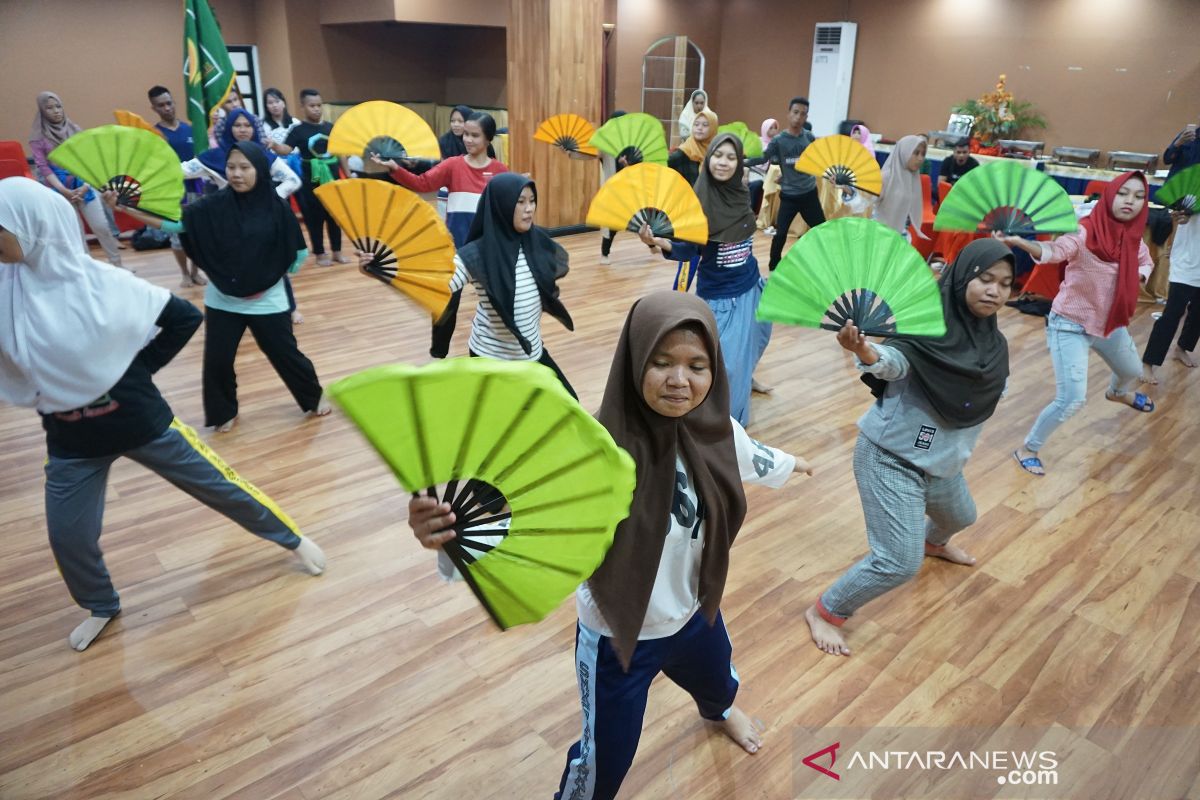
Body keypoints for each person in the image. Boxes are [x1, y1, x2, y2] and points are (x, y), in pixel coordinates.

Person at [407, 291, 811, 799]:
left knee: (718, 678)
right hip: (621, 638)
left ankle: (720, 709)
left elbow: (750, 456)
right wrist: (447, 535)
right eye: (661, 363)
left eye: (696, 365)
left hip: (696, 611)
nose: (679, 380)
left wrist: (793, 464)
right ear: (633, 361)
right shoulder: (590, 458)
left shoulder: (717, 431)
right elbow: (524, 525)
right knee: (606, 756)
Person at [0, 177, 326, 652]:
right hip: (70, 441)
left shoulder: (105, 283)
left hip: (141, 423)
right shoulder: (8, 291)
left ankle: (292, 539)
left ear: (34, 228)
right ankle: (101, 604)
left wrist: (134, 372)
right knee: (68, 535)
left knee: (221, 488)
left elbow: (184, 318)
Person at [803, 239, 1015, 657]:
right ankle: (826, 611)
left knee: (963, 515)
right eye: (985, 279)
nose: (994, 291)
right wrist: (864, 348)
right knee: (898, 563)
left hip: (943, 464)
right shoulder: (924, 328)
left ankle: (933, 542)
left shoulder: (995, 345)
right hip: (890, 459)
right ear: (960, 279)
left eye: (1006, 284)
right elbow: (893, 361)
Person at [109, 143, 331, 432]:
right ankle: (223, 411)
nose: (236, 174)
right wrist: (124, 206)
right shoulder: (212, 205)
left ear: (259, 170)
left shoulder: (276, 206)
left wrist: (273, 273)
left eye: (244, 167)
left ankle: (313, 397)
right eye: (231, 167)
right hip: (223, 299)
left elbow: (298, 251)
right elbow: (175, 224)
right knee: (217, 360)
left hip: (268, 298)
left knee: (285, 355)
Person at [1000, 172, 1155, 476]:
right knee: (1071, 399)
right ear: (1110, 195)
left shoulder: (1133, 238)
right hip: (1069, 325)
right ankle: (1027, 448)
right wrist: (1022, 242)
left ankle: (1116, 393)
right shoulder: (1084, 233)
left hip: (1109, 323)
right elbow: (1054, 252)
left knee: (1133, 372)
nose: (1130, 202)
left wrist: (1138, 276)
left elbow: (1146, 261)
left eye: (1138, 197)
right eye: (1124, 193)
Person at [365, 173, 577, 395]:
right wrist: (381, 272)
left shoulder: (537, 241)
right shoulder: (477, 254)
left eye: (532, 200)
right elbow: (437, 285)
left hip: (531, 353)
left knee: (571, 404)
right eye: (521, 201)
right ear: (502, 205)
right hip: (491, 360)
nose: (529, 208)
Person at [639, 133, 774, 425]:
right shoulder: (698, 201)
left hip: (751, 287)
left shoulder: (741, 193)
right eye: (717, 155)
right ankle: (723, 426)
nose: (723, 163)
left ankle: (747, 380)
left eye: (730, 157)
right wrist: (659, 242)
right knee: (726, 367)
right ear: (708, 158)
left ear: (739, 163)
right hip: (720, 298)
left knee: (757, 342)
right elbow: (689, 248)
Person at [373, 112, 509, 357]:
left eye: (474, 135)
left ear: (488, 139)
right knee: (445, 306)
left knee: (498, 307)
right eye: (466, 134)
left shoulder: (500, 171)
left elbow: (508, 209)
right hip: (456, 252)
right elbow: (422, 183)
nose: (467, 139)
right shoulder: (453, 165)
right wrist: (394, 168)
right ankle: (438, 356)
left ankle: (493, 352)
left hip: (487, 251)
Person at [27, 91, 124, 269]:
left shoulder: (75, 130)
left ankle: (118, 266)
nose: (56, 111)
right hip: (59, 190)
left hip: (84, 184)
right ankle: (85, 270)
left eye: (58, 106)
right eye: (49, 108)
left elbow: (89, 161)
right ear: (42, 111)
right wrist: (64, 191)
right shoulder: (37, 138)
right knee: (76, 233)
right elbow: (43, 167)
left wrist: (85, 186)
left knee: (101, 226)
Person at [747, 97, 825, 270]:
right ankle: (774, 267)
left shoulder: (810, 138)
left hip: (809, 194)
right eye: (795, 112)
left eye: (803, 114)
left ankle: (825, 265)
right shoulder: (778, 141)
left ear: (806, 117)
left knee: (823, 231)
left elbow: (819, 160)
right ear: (789, 114)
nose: (798, 117)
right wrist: (741, 160)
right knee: (780, 234)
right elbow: (763, 158)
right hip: (789, 196)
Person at [274, 89, 350, 266]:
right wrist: (274, 146)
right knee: (314, 218)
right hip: (311, 182)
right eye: (312, 106)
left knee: (334, 216)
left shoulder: (330, 128)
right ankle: (320, 254)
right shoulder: (298, 130)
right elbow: (287, 149)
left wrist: (348, 175)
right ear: (303, 107)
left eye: (319, 105)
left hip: (332, 180)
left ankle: (337, 252)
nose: (316, 109)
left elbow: (341, 154)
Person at [148, 85, 207, 288]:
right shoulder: (154, 135)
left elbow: (201, 158)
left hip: (196, 189)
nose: (167, 108)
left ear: (174, 102)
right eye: (161, 105)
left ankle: (195, 271)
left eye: (169, 103)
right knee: (177, 235)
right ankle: (184, 274)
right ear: (154, 108)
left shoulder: (191, 129)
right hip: (172, 192)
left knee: (198, 233)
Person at [184, 109, 301, 198]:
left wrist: (271, 199)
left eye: (247, 125)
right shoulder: (214, 156)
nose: (243, 130)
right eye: (237, 125)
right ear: (229, 127)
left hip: (259, 216)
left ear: (254, 128)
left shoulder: (263, 155)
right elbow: (180, 171)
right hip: (227, 215)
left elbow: (293, 180)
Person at [1142, 209, 1200, 382]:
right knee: (1173, 313)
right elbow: (1177, 217)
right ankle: (1148, 362)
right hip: (1187, 260)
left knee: (1198, 312)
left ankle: (1182, 347)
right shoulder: (1192, 190)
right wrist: (1180, 218)